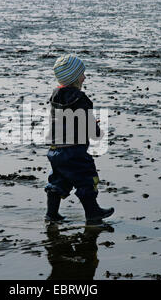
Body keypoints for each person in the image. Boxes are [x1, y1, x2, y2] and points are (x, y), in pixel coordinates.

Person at [44, 54, 114, 224]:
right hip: (75, 150)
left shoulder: (55, 96)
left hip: (56, 149)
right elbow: (87, 123)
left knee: (58, 179)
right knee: (86, 179)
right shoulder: (81, 99)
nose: (85, 76)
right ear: (75, 77)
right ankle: (93, 213)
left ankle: (51, 214)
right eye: (82, 73)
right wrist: (97, 132)